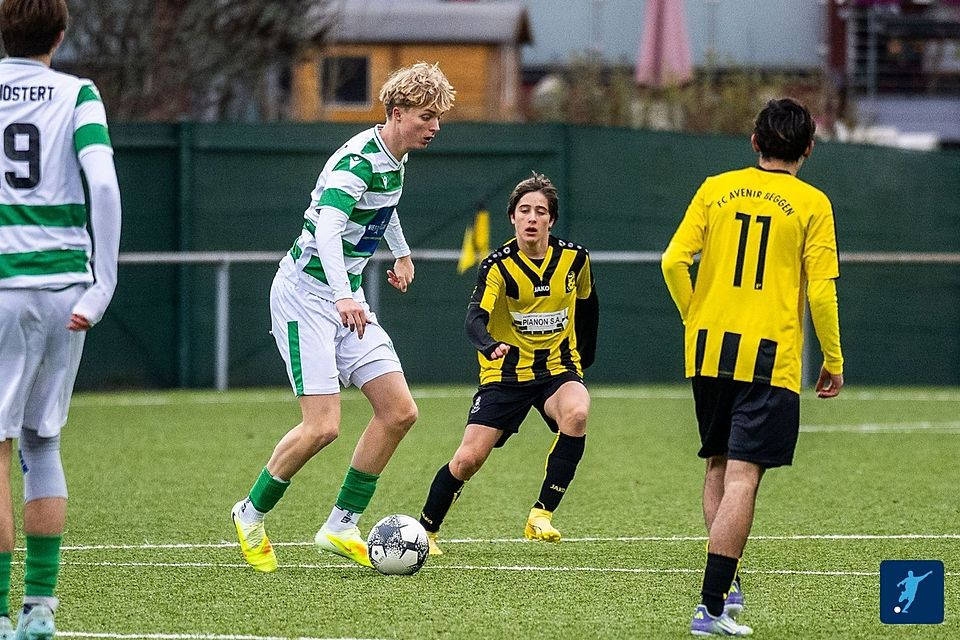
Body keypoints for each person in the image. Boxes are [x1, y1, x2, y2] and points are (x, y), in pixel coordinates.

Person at [231, 62, 455, 572]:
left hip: (341, 295)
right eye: (426, 117)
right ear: (397, 114)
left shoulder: (393, 158)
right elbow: (329, 231)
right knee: (322, 427)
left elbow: (384, 209)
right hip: (306, 295)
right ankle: (249, 513)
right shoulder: (355, 163)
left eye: (437, 118)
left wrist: (400, 253)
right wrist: (343, 296)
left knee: (399, 411)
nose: (435, 128)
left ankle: (340, 525)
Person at [661, 98, 844, 637]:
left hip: (709, 349)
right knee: (744, 476)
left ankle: (728, 583)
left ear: (755, 143)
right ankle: (712, 607)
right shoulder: (813, 203)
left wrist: (695, 317)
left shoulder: (715, 187)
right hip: (768, 356)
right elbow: (824, 292)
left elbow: (673, 261)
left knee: (718, 464)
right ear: (807, 149)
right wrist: (832, 359)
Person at [0, 0, 122, 637]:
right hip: (62, 288)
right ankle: (40, 609)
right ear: (61, 31)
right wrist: (103, 281)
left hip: (2, 285)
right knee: (41, 443)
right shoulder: (78, 94)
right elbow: (101, 184)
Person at [418, 172, 599, 555]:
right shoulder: (497, 266)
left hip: (557, 367)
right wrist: (489, 344)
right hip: (505, 373)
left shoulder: (575, 259)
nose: (532, 218)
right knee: (468, 459)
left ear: (551, 219)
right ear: (512, 218)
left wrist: (585, 356)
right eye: (524, 210)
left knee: (578, 413)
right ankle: (426, 531)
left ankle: (541, 514)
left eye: (540, 211)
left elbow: (587, 304)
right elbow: (474, 318)